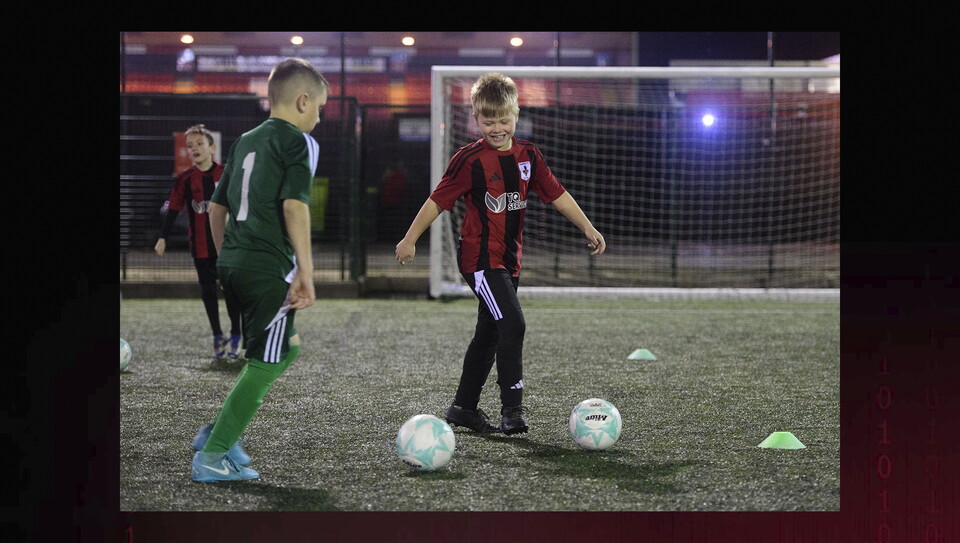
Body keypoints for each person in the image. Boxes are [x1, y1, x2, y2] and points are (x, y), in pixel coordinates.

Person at [395, 73, 606, 436]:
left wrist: (587, 227)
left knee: (489, 333)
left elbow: (556, 194)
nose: (496, 128)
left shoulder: (529, 157)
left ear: (516, 115)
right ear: (476, 120)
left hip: (509, 261)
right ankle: (512, 410)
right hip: (479, 261)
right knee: (513, 324)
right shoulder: (469, 160)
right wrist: (410, 238)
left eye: (503, 119)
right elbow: (438, 201)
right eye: (488, 121)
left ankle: (463, 407)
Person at [190, 58, 329, 482]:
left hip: (235, 263)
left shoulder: (245, 140)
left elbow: (217, 207)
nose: (320, 117)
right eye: (320, 108)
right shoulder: (299, 142)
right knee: (268, 361)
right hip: (267, 267)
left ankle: (217, 433)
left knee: (285, 348)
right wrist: (306, 270)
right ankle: (212, 456)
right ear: (303, 101)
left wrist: (226, 259)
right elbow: (294, 205)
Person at [155, 124, 242, 359]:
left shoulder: (226, 173)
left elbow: (239, 205)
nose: (194, 149)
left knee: (231, 291)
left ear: (212, 148)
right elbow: (173, 208)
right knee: (207, 291)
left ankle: (236, 333)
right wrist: (163, 237)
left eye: (199, 144)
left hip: (226, 247)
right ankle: (217, 335)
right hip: (201, 248)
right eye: (190, 146)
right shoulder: (185, 179)